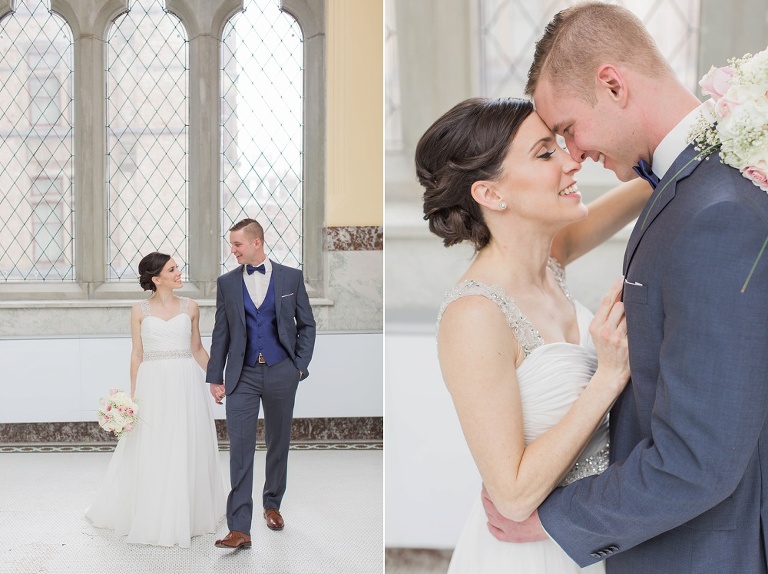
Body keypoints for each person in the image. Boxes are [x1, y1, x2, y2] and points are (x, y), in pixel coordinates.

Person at [483, 3, 768, 572]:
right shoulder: (695, 184)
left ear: (612, 85)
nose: (574, 155)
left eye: (565, 130)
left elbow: (699, 456)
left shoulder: (717, 210)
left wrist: (553, 518)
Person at [416, 96, 652, 572]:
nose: (571, 161)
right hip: (530, 555)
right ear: (490, 194)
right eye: (545, 153)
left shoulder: (549, 259)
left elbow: (652, 184)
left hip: (589, 536)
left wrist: (718, 128)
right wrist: (607, 376)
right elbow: (513, 495)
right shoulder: (475, 314)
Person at [86, 252, 226, 547]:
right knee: (155, 444)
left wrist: (217, 378)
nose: (179, 273)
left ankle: (186, 511)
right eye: (172, 270)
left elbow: (198, 348)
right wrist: (133, 397)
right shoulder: (139, 310)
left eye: (177, 268)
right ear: (156, 278)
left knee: (185, 442)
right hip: (153, 383)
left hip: (186, 381)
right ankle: (152, 509)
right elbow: (137, 353)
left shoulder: (191, 307)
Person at [207, 218, 316, 550]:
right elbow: (221, 332)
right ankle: (240, 527)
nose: (232, 250)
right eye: (231, 244)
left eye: (237, 245)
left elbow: (307, 324)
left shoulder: (290, 277)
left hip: (282, 370)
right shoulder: (226, 282)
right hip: (243, 373)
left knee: (278, 440)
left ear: (256, 243)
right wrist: (215, 376)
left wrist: (298, 366)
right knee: (240, 448)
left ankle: (272, 504)